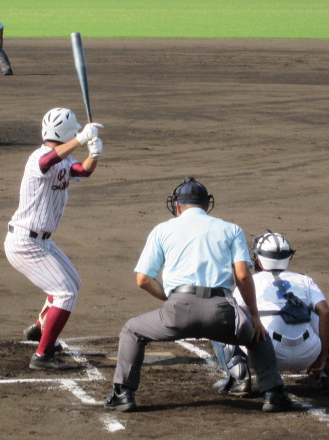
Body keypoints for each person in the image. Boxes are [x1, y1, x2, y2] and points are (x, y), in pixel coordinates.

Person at [104, 177, 292, 413]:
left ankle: (123, 394)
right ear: (207, 204)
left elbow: (143, 279)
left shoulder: (162, 229)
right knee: (257, 334)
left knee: (132, 330)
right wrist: (254, 316)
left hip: (177, 310)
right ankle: (274, 394)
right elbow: (243, 276)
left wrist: (170, 299)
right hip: (221, 312)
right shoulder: (231, 229)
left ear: (177, 206)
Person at [4, 108, 103, 370]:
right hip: (25, 243)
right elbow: (47, 161)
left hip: (42, 242)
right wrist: (81, 140)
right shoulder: (38, 157)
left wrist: (94, 155)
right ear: (67, 133)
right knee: (65, 293)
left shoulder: (64, 159)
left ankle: (40, 328)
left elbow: (81, 171)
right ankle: (43, 355)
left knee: (73, 283)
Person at [212, 230, 329, 396]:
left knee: (226, 316)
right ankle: (324, 370)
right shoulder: (305, 280)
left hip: (266, 354)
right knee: (317, 315)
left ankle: (239, 377)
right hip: (308, 353)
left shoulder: (251, 281)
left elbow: (233, 313)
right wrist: (322, 355)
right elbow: (325, 312)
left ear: (258, 259)